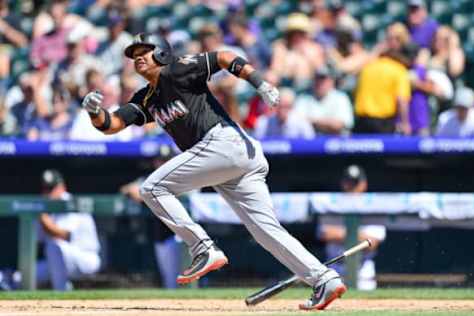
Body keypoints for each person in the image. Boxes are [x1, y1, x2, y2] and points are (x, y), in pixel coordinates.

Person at [81, 33, 346, 310]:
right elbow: (112, 124)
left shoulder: (176, 70)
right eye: (133, 53)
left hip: (224, 143)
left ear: (161, 53)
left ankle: (202, 248)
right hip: (228, 157)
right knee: (265, 231)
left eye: (144, 50)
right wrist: (93, 112)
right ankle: (323, 279)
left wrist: (259, 82)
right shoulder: (146, 97)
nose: (137, 56)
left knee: (152, 188)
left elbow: (222, 56)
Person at [2, 170, 101, 290]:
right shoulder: (46, 207)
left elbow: (62, 235)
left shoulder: (70, 203)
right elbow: (37, 241)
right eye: (46, 189)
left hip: (85, 258)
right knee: (19, 278)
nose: (48, 193)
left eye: (52, 188)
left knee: (54, 246)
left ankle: (62, 292)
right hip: (56, 262)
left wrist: (41, 213)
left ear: (62, 187)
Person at [119, 145, 181, 289]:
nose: (161, 164)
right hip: (162, 235)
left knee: (180, 279)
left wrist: (142, 195)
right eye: (159, 160)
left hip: (181, 235)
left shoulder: (181, 175)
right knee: (170, 282)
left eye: (166, 160)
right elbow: (125, 188)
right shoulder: (150, 179)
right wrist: (134, 190)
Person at [318, 165, 385, 290]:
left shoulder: (373, 207)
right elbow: (325, 234)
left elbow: (372, 243)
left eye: (355, 183)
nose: (351, 187)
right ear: (343, 183)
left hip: (363, 269)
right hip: (334, 268)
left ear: (363, 184)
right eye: (348, 182)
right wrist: (357, 235)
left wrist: (341, 234)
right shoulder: (332, 205)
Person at [294, 66, 353, 135]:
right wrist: (326, 123)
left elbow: (339, 125)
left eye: (323, 79)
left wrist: (311, 121)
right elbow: (296, 122)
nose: (319, 82)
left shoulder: (341, 98)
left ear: (332, 81)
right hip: (310, 143)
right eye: (317, 78)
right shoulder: (304, 98)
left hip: (336, 143)